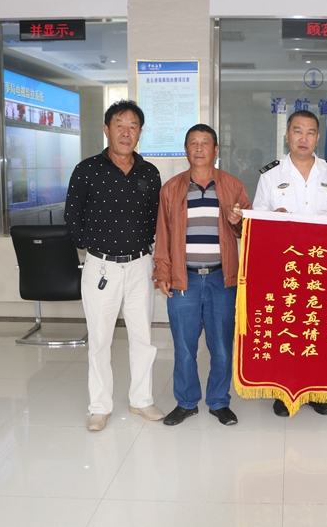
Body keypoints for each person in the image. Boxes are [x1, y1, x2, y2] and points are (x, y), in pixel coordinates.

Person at [64, 100, 162, 432]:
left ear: (140, 133)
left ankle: (141, 400)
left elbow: (156, 218)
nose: (126, 132)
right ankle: (99, 407)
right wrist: (88, 244)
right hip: (101, 267)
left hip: (140, 265)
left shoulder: (149, 172)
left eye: (133, 126)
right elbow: (72, 214)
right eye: (119, 125)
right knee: (100, 339)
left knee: (143, 337)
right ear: (106, 129)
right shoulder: (87, 169)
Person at [153, 124, 251, 426]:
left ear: (215, 149)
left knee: (221, 346)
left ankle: (219, 401)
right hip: (185, 279)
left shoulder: (232, 185)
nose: (198, 148)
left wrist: (238, 222)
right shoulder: (171, 188)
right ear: (186, 150)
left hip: (223, 279)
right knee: (184, 346)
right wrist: (163, 271)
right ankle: (186, 402)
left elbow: (250, 230)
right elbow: (163, 233)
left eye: (205, 143)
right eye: (193, 143)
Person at [252, 109, 327, 417]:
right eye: (297, 131)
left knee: (316, 328)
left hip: (320, 268)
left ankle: (317, 391)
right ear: (287, 135)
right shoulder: (271, 175)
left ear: (317, 138)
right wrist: (272, 218)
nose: (303, 138)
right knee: (287, 329)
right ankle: (284, 391)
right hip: (285, 268)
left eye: (310, 132)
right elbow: (257, 217)